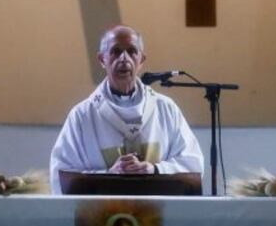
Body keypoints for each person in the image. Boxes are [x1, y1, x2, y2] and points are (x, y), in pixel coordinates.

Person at [50, 25, 203, 193]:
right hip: (103, 216)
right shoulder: (82, 116)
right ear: (102, 60)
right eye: (116, 51)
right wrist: (109, 175)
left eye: (132, 51)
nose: (124, 59)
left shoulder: (165, 109)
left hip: (160, 213)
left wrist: (155, 170)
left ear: (141, 60)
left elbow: (193, 162)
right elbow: (62, 175)